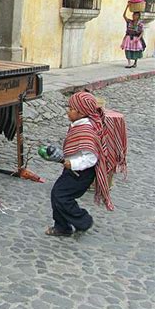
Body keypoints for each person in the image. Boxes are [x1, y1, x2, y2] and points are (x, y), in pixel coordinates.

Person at [46, 92, 113, 237]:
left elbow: (91, 158)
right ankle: (62, 226)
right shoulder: (78, 125)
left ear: (81, 113)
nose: (68, 111)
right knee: (57, 194)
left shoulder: (86, 131)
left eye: (71, 109)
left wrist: (72, 163)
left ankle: (82, 220)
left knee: (61, 196)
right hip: (72, 170)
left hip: (81, 173)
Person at [121, 3, 144, 69]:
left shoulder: (140, 23)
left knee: (136, 50)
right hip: (128, 37)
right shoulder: (129, 22)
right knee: (128, 50)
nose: (133, 16)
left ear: (138, 16)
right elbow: (124, 16)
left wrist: (138, 38)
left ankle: (135, 63)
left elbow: (142, 32)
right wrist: (127, 7)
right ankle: (129, 63)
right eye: (133, 15)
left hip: (136, 38)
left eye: (135, 15)